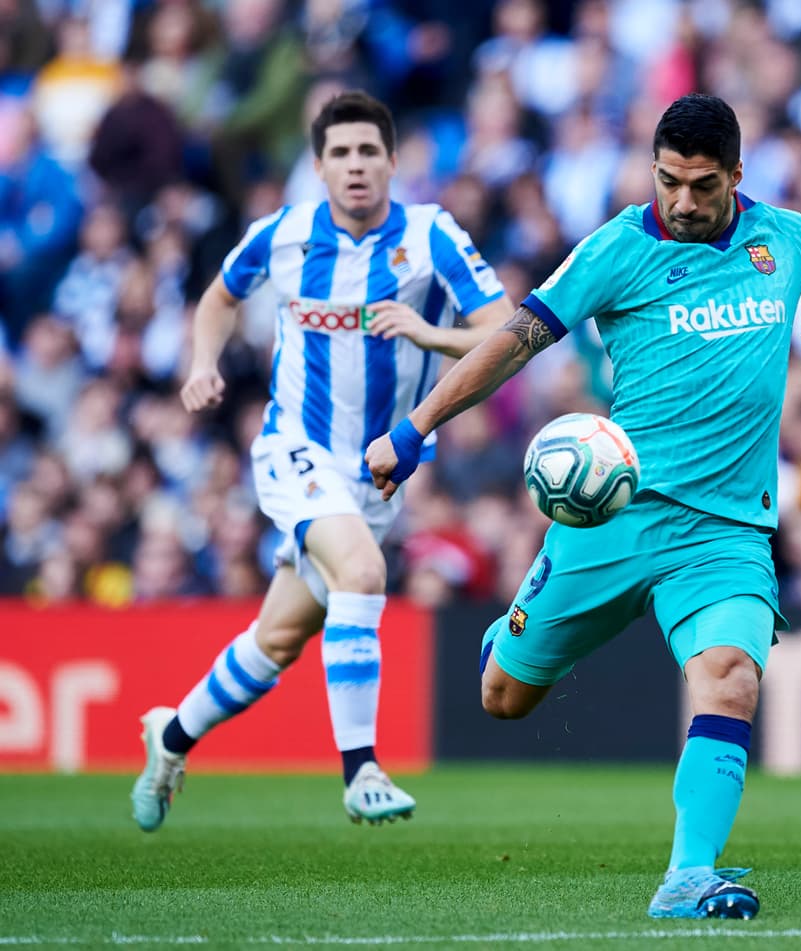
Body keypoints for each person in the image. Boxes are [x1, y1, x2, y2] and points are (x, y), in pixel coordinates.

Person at [365, 93, 801, 918]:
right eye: (668, 180)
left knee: (732, 677)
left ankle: (688, 876)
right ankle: (516, 635)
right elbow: (514, 340)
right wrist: (417, 427)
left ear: (736, 177)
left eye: (701, 185)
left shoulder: (780, 238)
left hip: (724, 535)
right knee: (503, 695)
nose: (681, 201)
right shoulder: (616, 249)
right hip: (613, 517)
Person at [129, 90, 513, 831]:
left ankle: (170, 735)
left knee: (276, 640)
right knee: (363, 573)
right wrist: (202, 362)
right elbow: (216, 298)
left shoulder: (432, 238)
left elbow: (506, 332)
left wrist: (431, 337)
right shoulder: (284, 234)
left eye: (370, 151)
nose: (356, 165)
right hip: (293, 449)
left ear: (394, 162)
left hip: (377, 474)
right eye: (341, 153)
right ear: (319, 166)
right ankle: (361, 768)